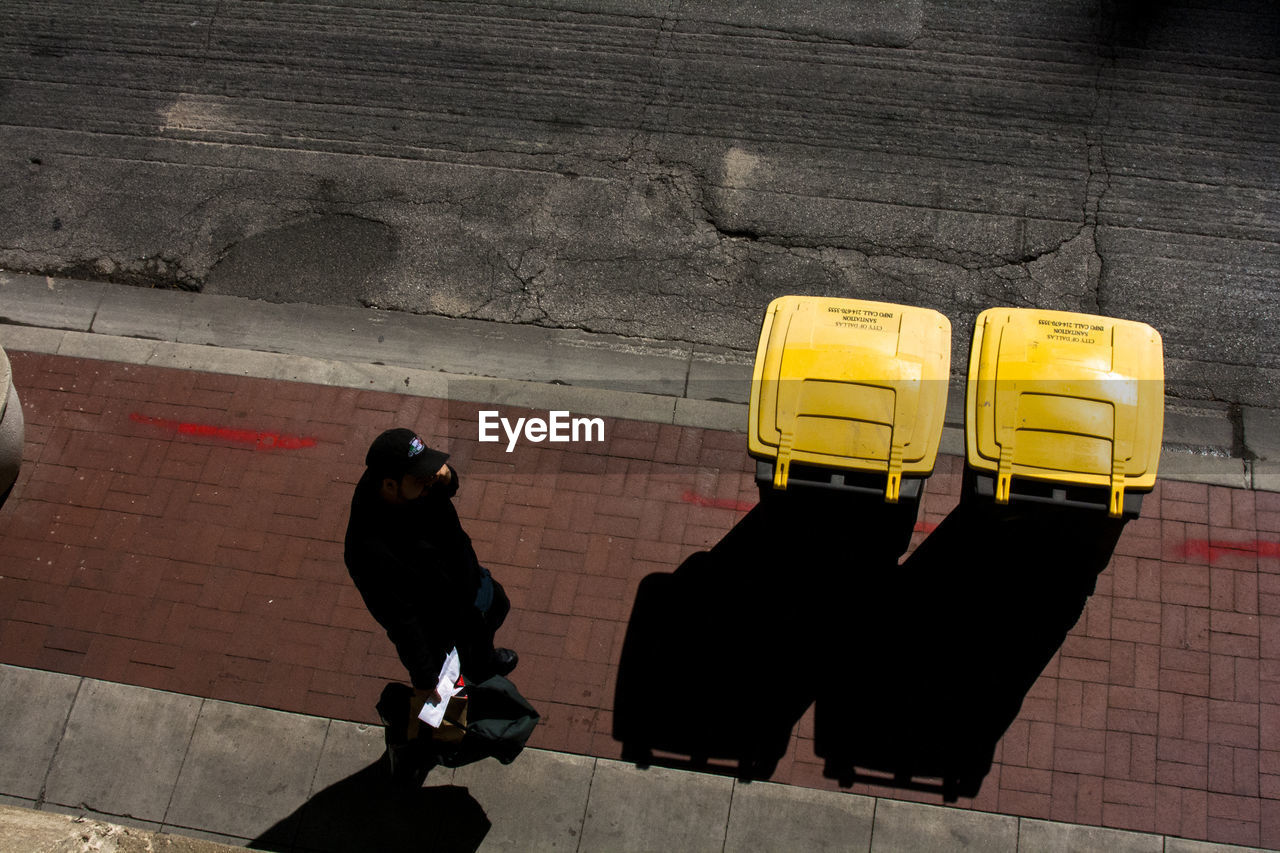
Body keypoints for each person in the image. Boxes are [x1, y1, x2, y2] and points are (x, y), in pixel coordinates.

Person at [344, 428, 517, 701]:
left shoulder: (415, 486)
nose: (432, 479)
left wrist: (448, 478)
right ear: (390, 485)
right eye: (423, 479)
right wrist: (425, 679)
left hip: (470, 582)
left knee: (496, 609)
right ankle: (480, 677)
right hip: (445, 620)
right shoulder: (369, 551)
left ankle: (485, 658)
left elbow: (446, 486)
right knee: (465, 661)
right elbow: (402, 622)